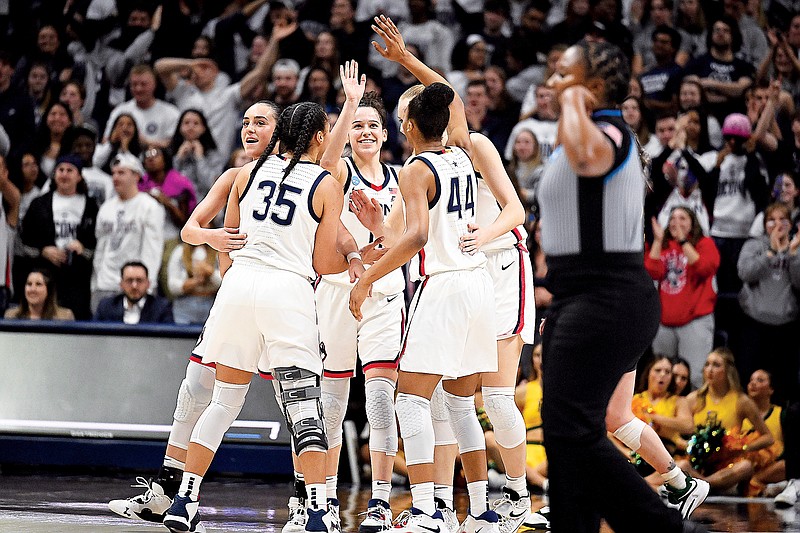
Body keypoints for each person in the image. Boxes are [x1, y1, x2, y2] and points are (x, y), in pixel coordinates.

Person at [536, 38, 708, 532]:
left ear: (591, 86)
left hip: (605, 297)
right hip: (583, 298)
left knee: (570, 430)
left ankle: (657, 523)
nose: (552, 84)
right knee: (573, 432)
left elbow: (587, 157)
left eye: (563, 74)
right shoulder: (587, 132)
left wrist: (573, 101)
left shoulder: (607, 132)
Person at [162, 101, 350, 533]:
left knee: (223, 402)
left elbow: (228, 243)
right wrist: (364, 256)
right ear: (321, 138)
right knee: (305, 409)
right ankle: (319, 510)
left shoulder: (244, 175)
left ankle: (184, 501)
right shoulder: (325, 182)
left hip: (239, 288)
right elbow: (323, 262)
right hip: (286, 291)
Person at [351, 16, 498, 533]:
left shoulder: (416, 168)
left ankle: (430, 509)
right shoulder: (461, 149)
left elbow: (414, 238)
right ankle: (479, 512)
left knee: (409, 398)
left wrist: (367, 280)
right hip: (478, 286)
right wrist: (406, 58)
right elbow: (449, 94)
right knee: (460, 402)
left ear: (409, 124)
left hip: (445, 287)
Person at [108, 101, 281, 532]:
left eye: (260, 122)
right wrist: (214, 235)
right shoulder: (235, 175)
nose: (249, 129)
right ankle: (170, 492)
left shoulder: (301, 174)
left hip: (283, 300)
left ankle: (310, 502)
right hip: (236, 297)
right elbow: (188, 230)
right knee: (196, 388)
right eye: (244, 122)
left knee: (300, 404)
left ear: (281, 132)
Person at [315, 63, 403, 533]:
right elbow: (326, 162)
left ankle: (381, 503)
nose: (364, 132)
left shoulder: (402, 177)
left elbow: (409, 240)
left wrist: (375, 242)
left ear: (386, 133)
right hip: (336, 293)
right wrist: (350, 103)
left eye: (372, 125)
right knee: (331, 399)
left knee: (380, 400)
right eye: (357, 127)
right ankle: (324, 499)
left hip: (385, 293)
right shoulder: (339, 171)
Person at [677, 348, 774, 493]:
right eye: (707, 364)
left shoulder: (741, 401)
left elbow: (768, 437)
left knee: (746, 467)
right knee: (681, 465)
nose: (710, 370)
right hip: (697, 463)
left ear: (728, 370)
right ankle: (705, 485)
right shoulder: (693, 399)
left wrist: (742, 449)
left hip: (727, 465)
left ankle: (702, 485)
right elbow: (676, 436)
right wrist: (692, 447)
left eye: (716, 365)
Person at [646, 208, 720, 388]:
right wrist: (657, 241)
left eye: (682, 218)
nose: (675, 222)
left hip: (695, 322)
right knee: (662, 377)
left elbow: (704, 268)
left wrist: (683, 241)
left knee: (695, 378)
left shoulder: (705, 244)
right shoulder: (663, 246)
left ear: (693, 223)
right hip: (664, 322)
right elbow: (650, 272)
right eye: (672, 218)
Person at [736, 202, 800, 404]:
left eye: (783, 219)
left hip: (785, 328)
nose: (778, 224)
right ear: (764, 224)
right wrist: (770, 252)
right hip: (753, 325)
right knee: (749, 380)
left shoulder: (797, 247)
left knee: (782, 384)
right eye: (772, 220)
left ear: (791, 223)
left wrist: (793, 255)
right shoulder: (754, 245)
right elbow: (745, 273)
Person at [20, 154, 97, 320]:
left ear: (79, 177)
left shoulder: (91, 206)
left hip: (78, 279)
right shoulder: (39, 204)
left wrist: (82, 249)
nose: (64, 174)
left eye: (70, 170)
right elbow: (24, 241)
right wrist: (43, 250)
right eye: (60, 170)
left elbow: (98, 244)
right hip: (46, 276)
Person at [92, 153, 164, 311]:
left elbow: (153, 249)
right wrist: (96, 282)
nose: (116, 178)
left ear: (136, 176)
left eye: (121, 173)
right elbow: (101, 249)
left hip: (135, 285)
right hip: (105, 284)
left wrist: (148, 285)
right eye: (114, 173)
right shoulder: (106, 208)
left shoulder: (149, 206)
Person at [102, 64, 180, 149]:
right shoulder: (119, 111)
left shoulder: (171, 112)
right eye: (134, 84)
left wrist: (143, 142)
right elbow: (106, 141)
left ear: (154, 84)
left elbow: (173, 145)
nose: (138, 89)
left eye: (143, 84)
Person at [743, 369, 785, 496]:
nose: (753, 384)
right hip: (745, 467)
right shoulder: (741, 415)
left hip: (773, 468)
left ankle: (757, 482)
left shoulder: (781, 414)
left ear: (771, 389)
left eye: (760, 380)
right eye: (751, 381)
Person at [170, 109, 226, 201]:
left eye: (196, 123)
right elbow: (169, 183)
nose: (191, 127)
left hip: (206, 203)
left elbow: (211, 185)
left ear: (203, 128)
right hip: (179, 204)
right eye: (186, 123)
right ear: (179, 127)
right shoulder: (170, 152)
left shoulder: (214, 155)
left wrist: (199, 158)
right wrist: (178, 158)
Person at [94, 261, 173, 324]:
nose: (134, 286)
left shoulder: (162, 307)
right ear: (121, 284)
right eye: (129, 280)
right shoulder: (106, 306)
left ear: (148, 284)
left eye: (139, 280)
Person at [165, 243, 220, 325]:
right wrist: (195, 282)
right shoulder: (180, 251)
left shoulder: (218, 251)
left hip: (211, 303)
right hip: (184, 305)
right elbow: (172, 286)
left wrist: (210, 272)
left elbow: (225, 282)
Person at [4, 269, 74, 320]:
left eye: (38, 284)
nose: (32, 289)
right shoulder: (11, 316)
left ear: (49, 291)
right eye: (29, 284)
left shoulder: (64, 317)